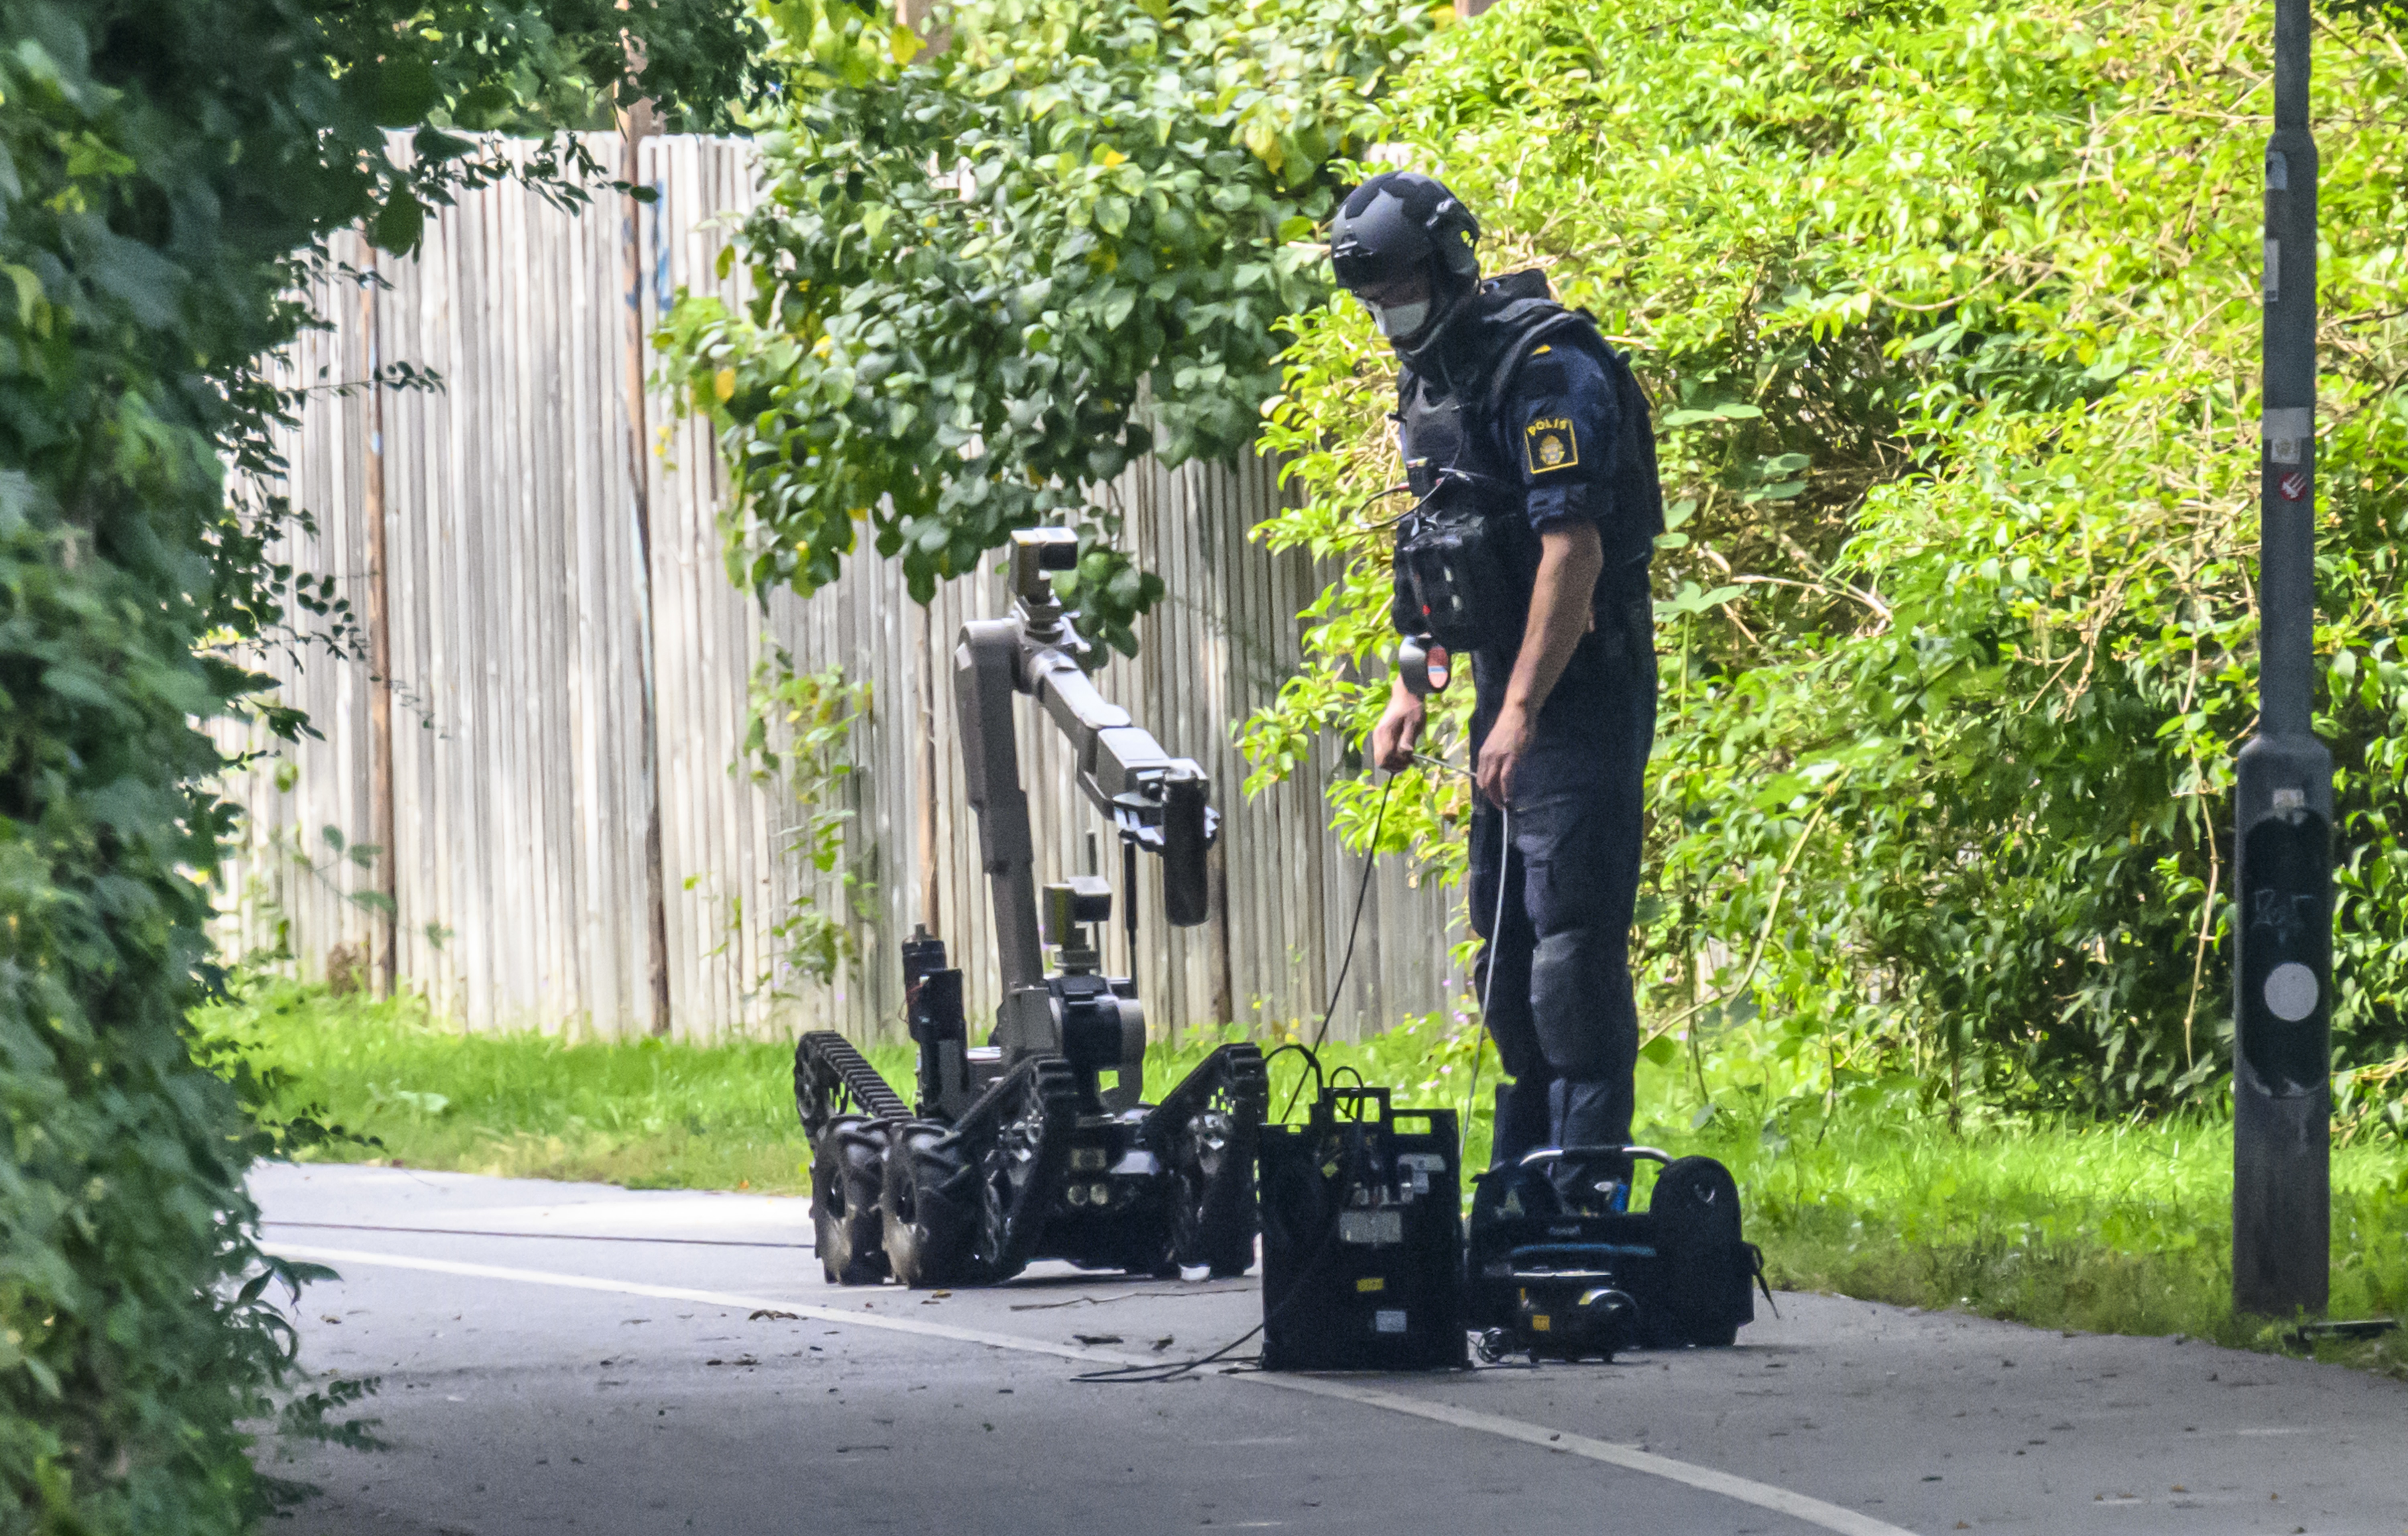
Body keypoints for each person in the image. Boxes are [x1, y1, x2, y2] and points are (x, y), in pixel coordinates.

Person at [1337, 170, 1665, 1209]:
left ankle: (1587, 1201)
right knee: (1509, 954)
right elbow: (1442, 555)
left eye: (1398, 285)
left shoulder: (1547, 368)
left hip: (1584, 688)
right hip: (1503, 693)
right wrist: (1412, 689)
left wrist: (1520, 709)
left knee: (1571, 955)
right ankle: (1519, 1195)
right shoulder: (1434, 382)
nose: (1389, 310)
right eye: (1372, 293)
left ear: (1448, 265)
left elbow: (1573, 553)